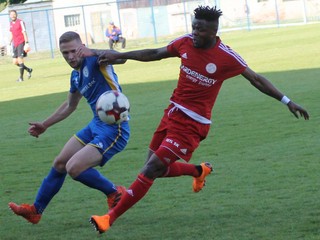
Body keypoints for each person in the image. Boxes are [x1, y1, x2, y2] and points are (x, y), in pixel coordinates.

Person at [83, 6, 310, 234]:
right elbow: (155, 53)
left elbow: (256, 79)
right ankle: (198, 171)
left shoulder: (226, 57)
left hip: (192, 125)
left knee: (151, 170)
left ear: (213, 32)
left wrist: (287, 101)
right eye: (193, 27)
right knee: (155, 168)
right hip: (171, 114)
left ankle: (108, 219)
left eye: (199, 29)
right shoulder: (185, 43)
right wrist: (121, 55)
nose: (194, 32)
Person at [8, 31, 130, 225]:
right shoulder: (75, 77)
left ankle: (115, 192)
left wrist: (93, 51)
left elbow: (121, 58)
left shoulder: (97, 60)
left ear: (82, 47)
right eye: (65, 53)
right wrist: (45, 124)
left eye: (74, 51)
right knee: (60, 163)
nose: (70, 57)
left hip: (115, 129)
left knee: (74, 168)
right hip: (95, 125)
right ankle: (36, 211)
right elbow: (69, 105)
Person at [9, 9, 33, 82]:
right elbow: (11, 34)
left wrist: (27, 42)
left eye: (14, 14)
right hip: (15, 44)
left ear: (16, 15)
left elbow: (24, 32)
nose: (13, 15)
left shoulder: (20, 22)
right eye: (11, 14)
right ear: (10, 16)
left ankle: (21, 78)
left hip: (21, 43)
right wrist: (9, 42)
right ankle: (28, 69)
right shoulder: (10, 24)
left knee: (20, 60)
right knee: (15, 62)